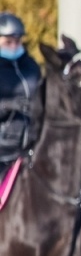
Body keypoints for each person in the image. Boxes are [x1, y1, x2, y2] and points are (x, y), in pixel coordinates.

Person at [0, 12, 42, 173]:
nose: (13, 46)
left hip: (30, 144)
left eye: (17, 42)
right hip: (3, 147)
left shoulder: (30, 66)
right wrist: (9, 106)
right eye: (8, 42)